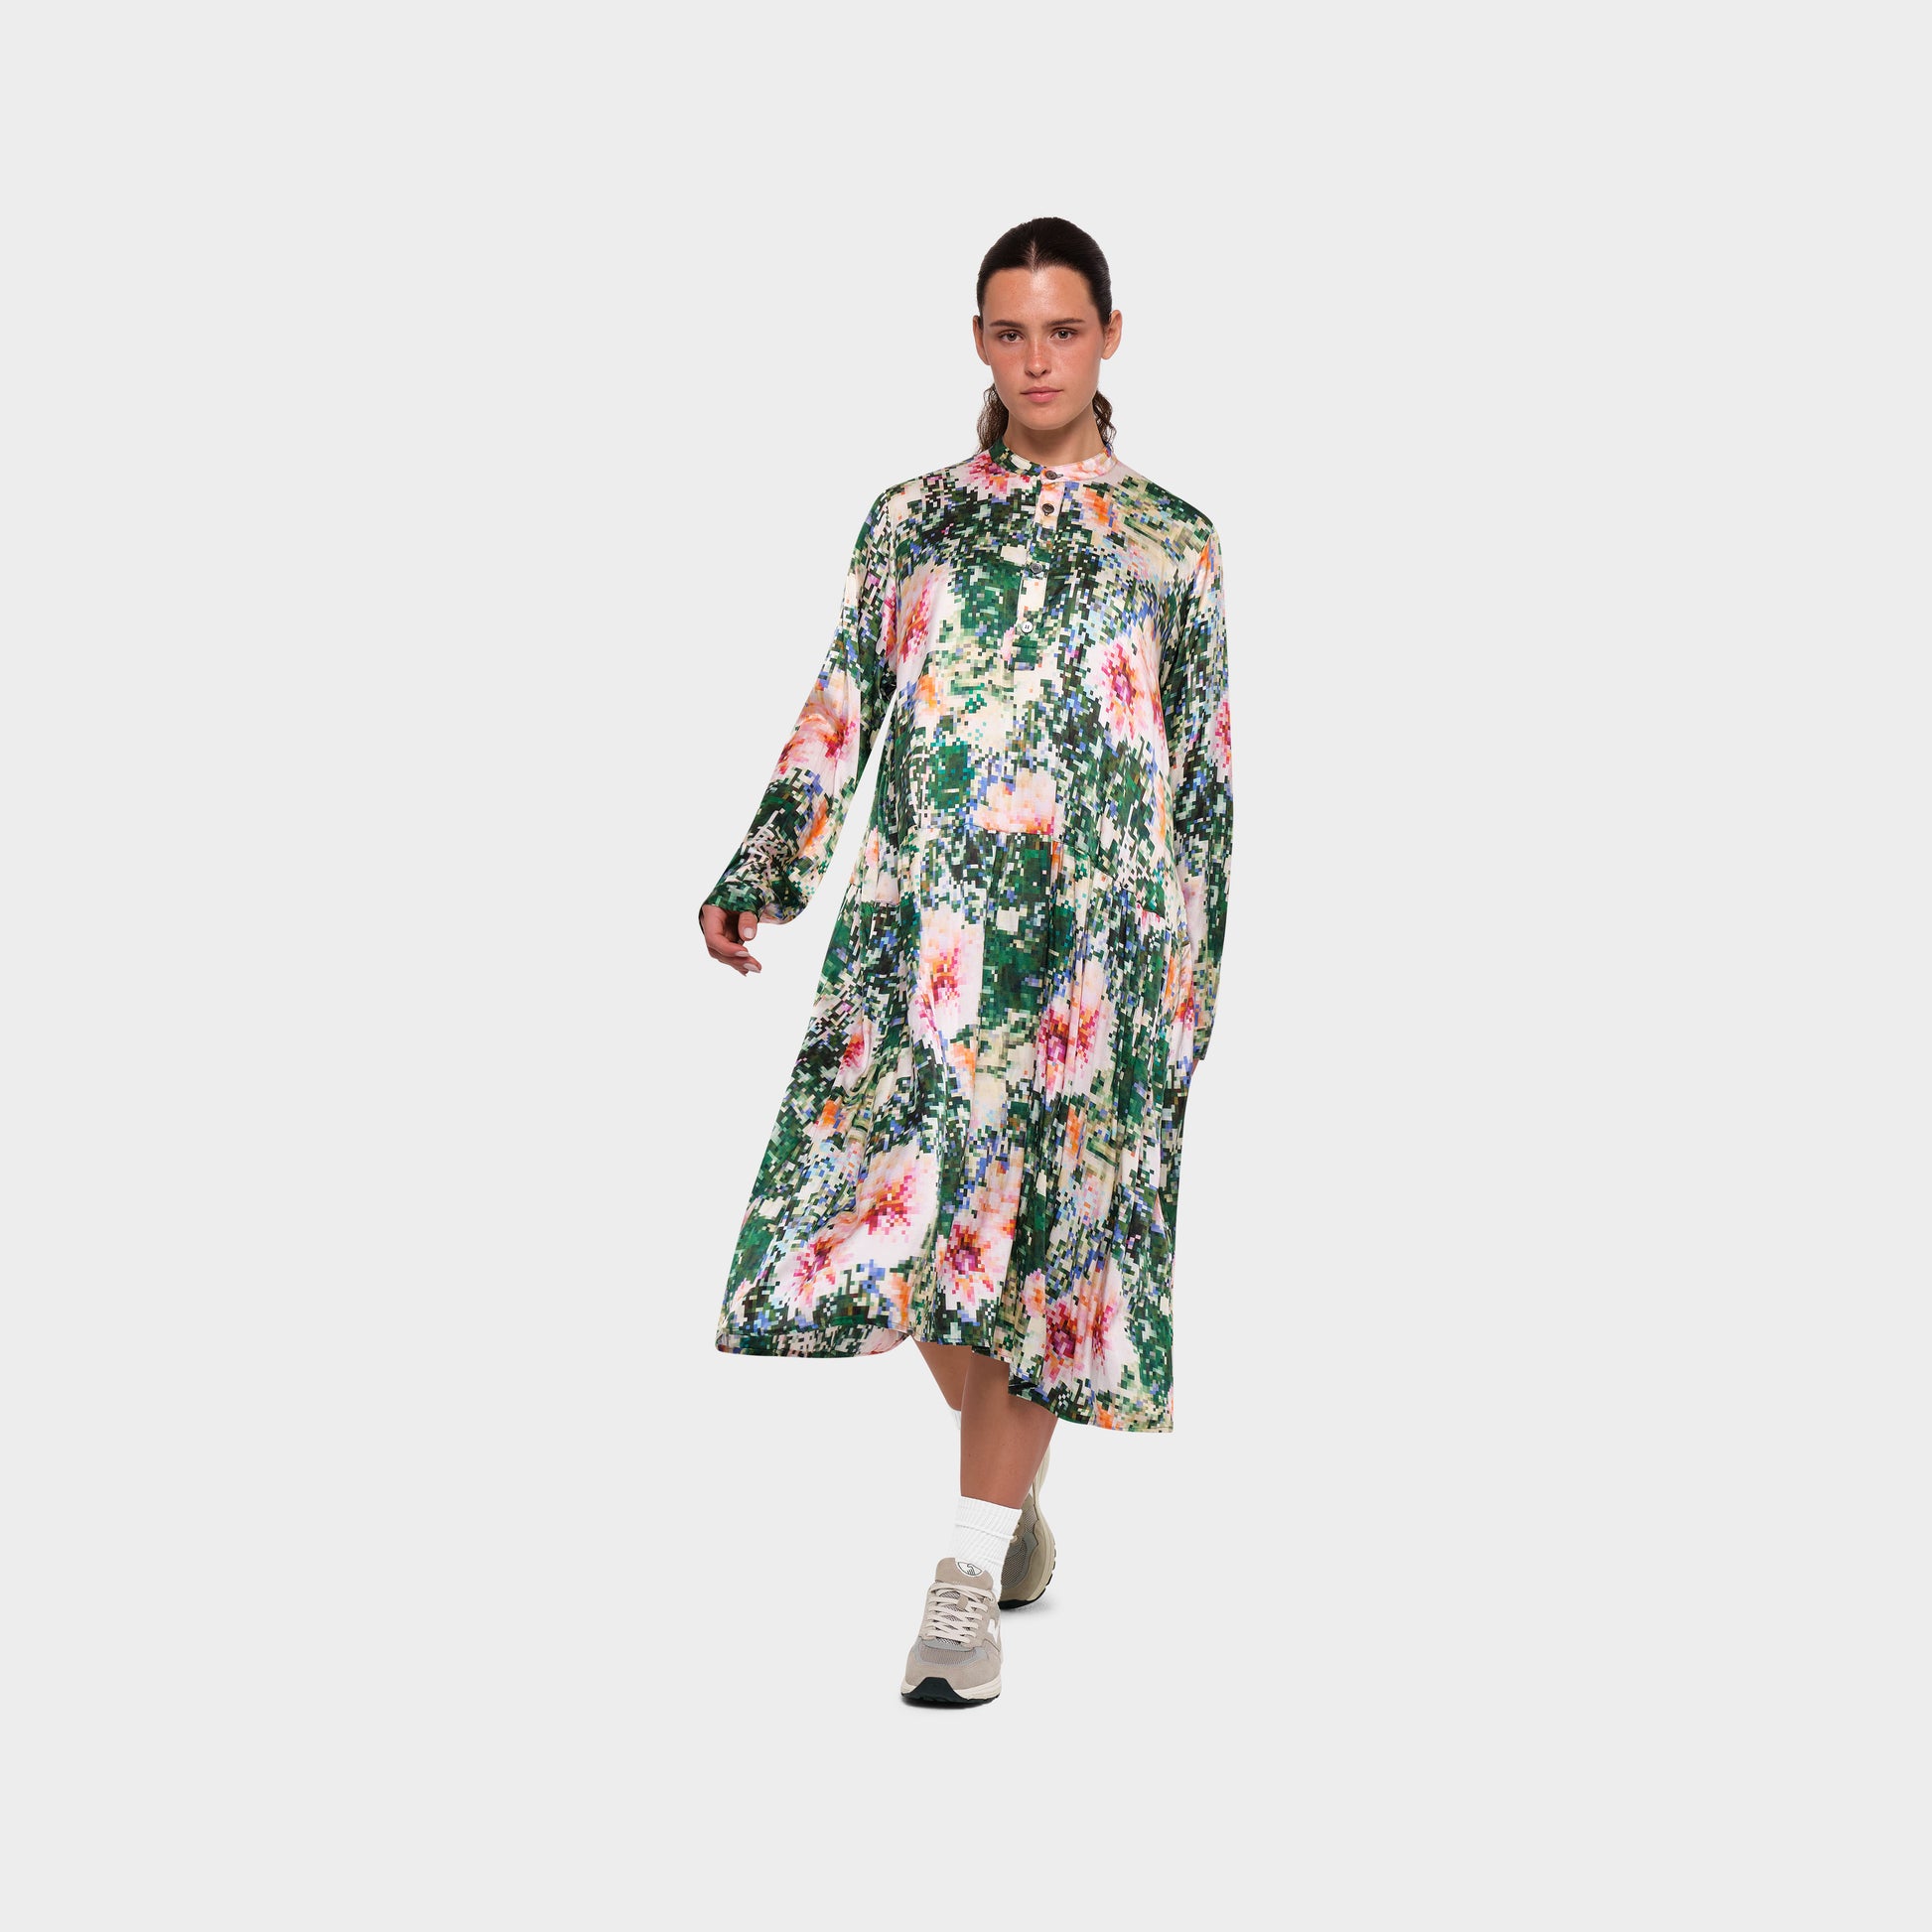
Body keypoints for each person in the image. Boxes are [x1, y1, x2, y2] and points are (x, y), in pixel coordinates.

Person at [698, 215, 1234, 1706]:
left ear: (1110, 336)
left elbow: (1201, 782)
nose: (1037, 360)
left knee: (1039, 1251)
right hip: (924, 937)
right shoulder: (913, 520)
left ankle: (964, 1570)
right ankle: (1012, 1491)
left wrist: (1191, 987)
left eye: (1063, 331)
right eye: (1009, 332)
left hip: (1092, 962)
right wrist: (765, 869)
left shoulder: (1173, 540)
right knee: (910, 1233)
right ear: (979, 341)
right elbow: (843, 701)